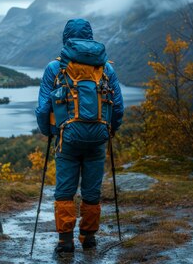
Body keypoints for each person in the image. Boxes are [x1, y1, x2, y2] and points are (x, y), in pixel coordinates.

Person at [35, 18, 124, 253]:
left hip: (68, 138)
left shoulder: (55, 68)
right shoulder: (106, 68)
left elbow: (44, 108)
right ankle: (89, 239)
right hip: (98, 137)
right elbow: (118, 108)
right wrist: (110, 130)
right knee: (92, 191)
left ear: (66, 39)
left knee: (65, 190)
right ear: (90, 37)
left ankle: (65, 242)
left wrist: (51, 132)